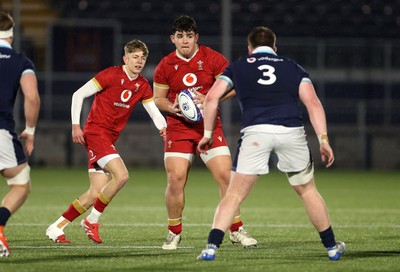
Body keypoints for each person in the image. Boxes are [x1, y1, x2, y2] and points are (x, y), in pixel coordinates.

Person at [197, 26, 346, 261]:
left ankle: (211, 248)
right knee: (308, 191)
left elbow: (212, 98)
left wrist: (207, 134)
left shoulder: (238, 66)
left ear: (249, 48)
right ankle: (331, 247)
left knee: (234, 195)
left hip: (256, 133)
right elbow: (313, 103)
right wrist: (323, 140)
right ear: (275, 48)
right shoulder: (291, 66)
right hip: (291, 132)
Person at [46, 39, 167, 244]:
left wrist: (163, 127)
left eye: (143, 58)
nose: (139, 61)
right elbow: (78, 95)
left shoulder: (142, 85)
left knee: (95, 193)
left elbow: (154, 112)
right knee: (121, 176)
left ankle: (56, 227)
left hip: (108, 138)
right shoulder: (110, 74)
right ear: (125, 58)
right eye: (135, 57)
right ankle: (91, 221)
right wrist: (76, 125)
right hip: (95, 133)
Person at [153, 15, 257, 250]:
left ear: (196, 37)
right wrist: (172, 107)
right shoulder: (165, 65)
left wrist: (214, 96)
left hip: (208, 127)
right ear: (173, 39)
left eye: (189, 36)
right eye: (180, 37)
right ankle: (174, 232)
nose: (185, 41)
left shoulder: (212, 58)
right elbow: (158, 99)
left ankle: (236, 229)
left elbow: (236, 85)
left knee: (226, 177)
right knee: (176, 178)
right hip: (178, 128)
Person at [0, 11, 41, 257]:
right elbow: (32, 97)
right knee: (20, 183)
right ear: (12, 35)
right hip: (1, 129)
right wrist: (31, 130)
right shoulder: (20, 61)